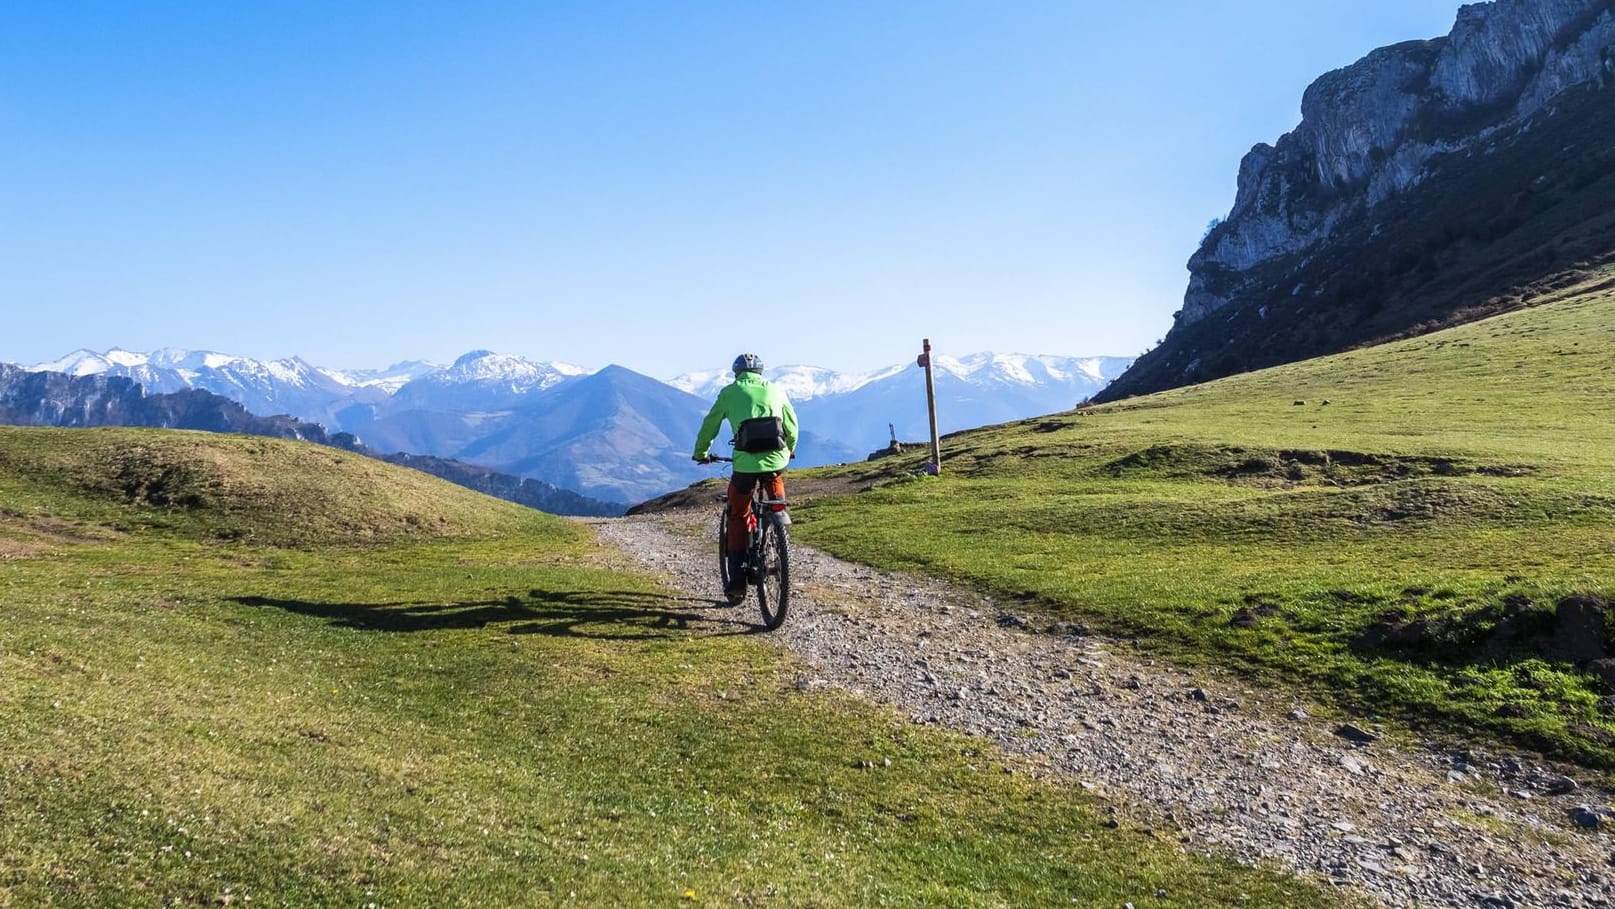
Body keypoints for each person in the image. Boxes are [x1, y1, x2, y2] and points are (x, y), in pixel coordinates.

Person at [692, 353, 799, 602]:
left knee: (738, 514)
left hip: (745, 465)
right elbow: (792, 425)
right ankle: (778, 534)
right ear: (760, 373)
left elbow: (711, 424)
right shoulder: (777, 390)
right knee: (775, 496)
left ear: (736, 373)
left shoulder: (729, 392)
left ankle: (738, 582)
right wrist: (790, 448)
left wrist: (701, 452)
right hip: (776, 461)